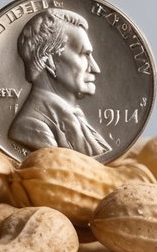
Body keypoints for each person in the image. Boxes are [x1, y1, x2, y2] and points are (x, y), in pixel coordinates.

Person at [8, 8, 112, 156]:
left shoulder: (78, 121)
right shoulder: (30, 126)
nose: (96, 68)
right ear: (50, 61)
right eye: (85, 54)